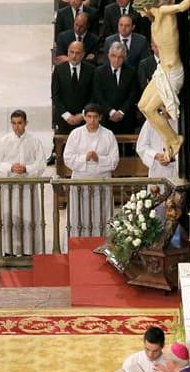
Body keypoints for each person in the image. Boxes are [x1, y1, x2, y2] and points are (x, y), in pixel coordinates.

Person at [134, 0, 190, 161]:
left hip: (173, 72)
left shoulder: (163, 12)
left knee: (149, 108)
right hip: (162, 71)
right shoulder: (155, 14)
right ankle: (169, 140)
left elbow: (180, 7)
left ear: (147, 6)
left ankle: (174, 140)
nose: (140, 15)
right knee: (142, 106)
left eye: (140, 10)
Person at [0, 110, 47, 256]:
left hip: (28, 188)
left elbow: (41, 164)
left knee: (29, 218)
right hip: (10, 187)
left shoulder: (35, 142)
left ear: (26, 123)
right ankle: (9, 250)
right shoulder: (3, 141)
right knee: (9, 217)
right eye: (14, 123)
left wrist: (26, 169)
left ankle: (29, 251)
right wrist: (11, 167)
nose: (17, 127)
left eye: (20, 123)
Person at [63, 104, 119, 237]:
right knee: (79, 214)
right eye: (89, 117)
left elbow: (114, 160)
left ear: (100, 117)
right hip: (80, 181)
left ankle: (102, 243)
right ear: (84, 117)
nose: (92, 120)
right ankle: (78, 244)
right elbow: (67, 158)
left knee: (101, 214)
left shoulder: (108, 135)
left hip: (102, 181)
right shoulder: (75, 134)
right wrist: (84, 158)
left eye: (95, 117)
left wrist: (99, 159)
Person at [137, 108, 190, 179]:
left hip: (178, 171)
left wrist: (173, 158)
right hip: (157, 172)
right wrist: (157, 156)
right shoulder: (151, 121)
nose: (167, 110)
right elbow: (141, 147)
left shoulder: (185, 123)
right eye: (165, 106)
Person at [93, 41, 139, 134]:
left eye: (120, 57)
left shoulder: (131, 71)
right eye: (114, 56)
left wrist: (121, 112)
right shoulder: (99, 72)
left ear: (125, 57)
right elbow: (98, 95)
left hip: (126, 118)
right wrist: (111, 112)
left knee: (127, 147)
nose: (116, 60)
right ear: (109, 56)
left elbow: (133, 94)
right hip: (106, 117)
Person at [52, 41, 95, 134]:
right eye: (71, 52)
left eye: (78, 53)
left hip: (84, 119)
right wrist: (67, 116)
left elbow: (93, 95)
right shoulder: (59, 70)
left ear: (83, 54)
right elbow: (55, 95)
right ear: (67, 52)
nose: (74, 56)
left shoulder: (91, 70)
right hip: (64, 119)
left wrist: (83, 114)